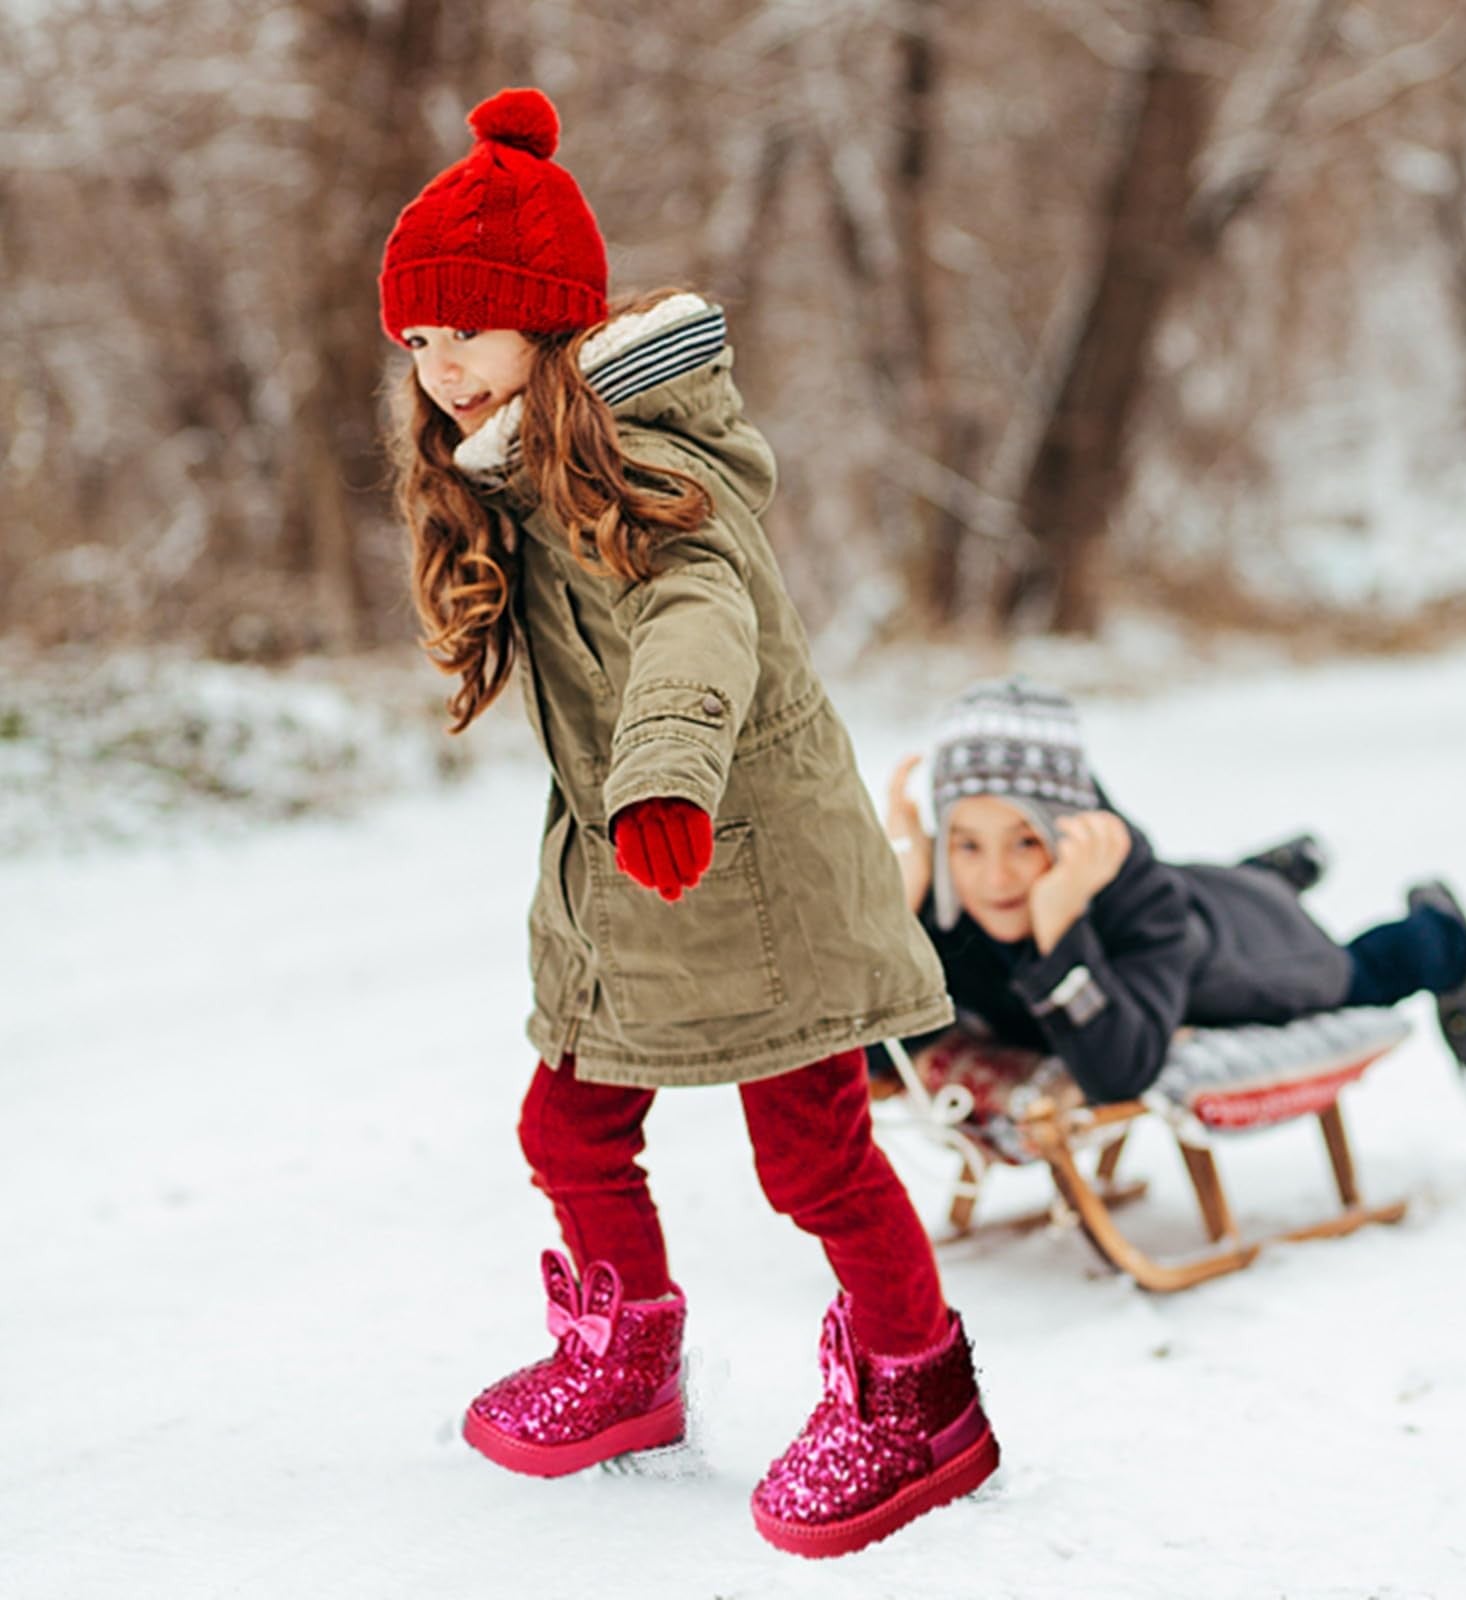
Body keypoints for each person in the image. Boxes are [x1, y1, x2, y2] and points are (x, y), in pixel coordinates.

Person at [376, 87, 997, 1558]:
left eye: (465, 325)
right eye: (415, 338)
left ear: (546, 320)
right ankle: (628, 1362)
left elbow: (695, 621)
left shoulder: (646, 467)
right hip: (627, 881)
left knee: (815, 1157)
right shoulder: (508, 477)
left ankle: (920, 1397)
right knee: (567, 1123)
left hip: (744, 860)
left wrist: (662, 771)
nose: (440, 363)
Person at [882, 677, 1466, 1107]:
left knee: (1347, 976)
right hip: (1192, 900)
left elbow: (1119, 1074)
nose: (993, 878)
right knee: (1218, 888)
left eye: (1025, 843)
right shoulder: (952, 899)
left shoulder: (1139, 904)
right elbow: (873, 1062)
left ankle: (1439, 934)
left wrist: (1061, 927)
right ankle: (1267, 872)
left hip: (1236, 957)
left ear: (1070, 830)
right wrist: (900, 908)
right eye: (966, 845)